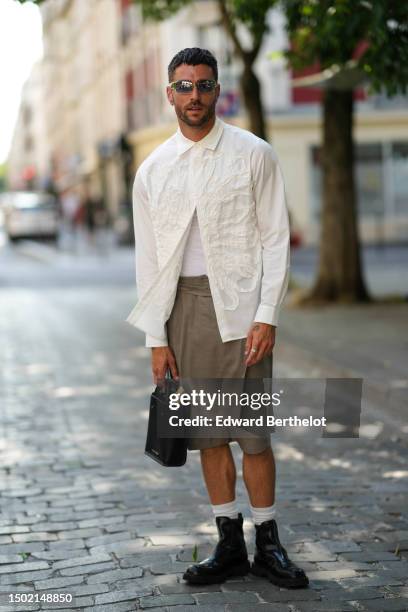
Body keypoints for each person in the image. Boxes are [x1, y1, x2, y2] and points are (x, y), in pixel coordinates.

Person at [126, 47, 308, 588]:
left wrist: (268, 313)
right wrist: (155, 339)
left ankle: (268, 541)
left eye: (204, 85)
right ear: (170, 94)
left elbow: (276, 238)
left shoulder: (255, 154)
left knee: (254, 435)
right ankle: (228, 540)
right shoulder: (152, 170)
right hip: (183, 309)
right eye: (184, 86)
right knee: (208, 435)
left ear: (218, 90)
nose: (194, 96)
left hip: (245, 308)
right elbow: (149, 261)